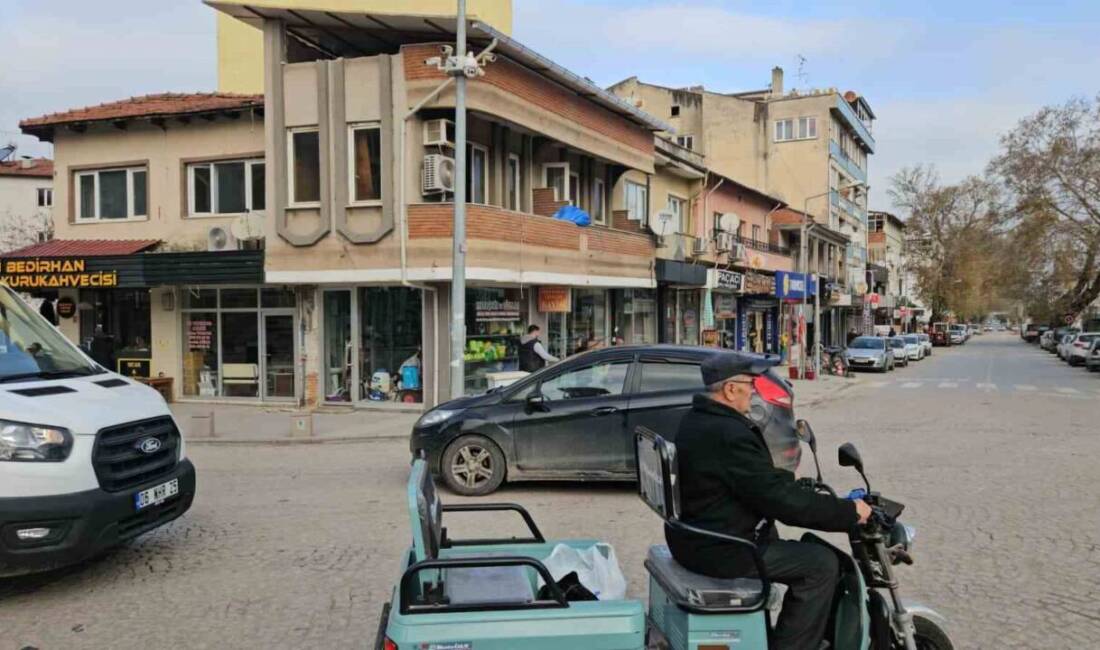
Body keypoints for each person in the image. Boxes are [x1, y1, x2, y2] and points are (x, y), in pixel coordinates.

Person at [666, 353, 872, 650]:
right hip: (721, 547)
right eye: (750, 384)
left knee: (795, 547)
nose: (754, 390)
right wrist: (848, 512)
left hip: (703, 534)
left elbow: (752, 479)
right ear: (730, 389)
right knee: (821, 564)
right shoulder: (727, 432)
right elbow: (780, 502)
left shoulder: (699, 419)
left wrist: (793, 485)